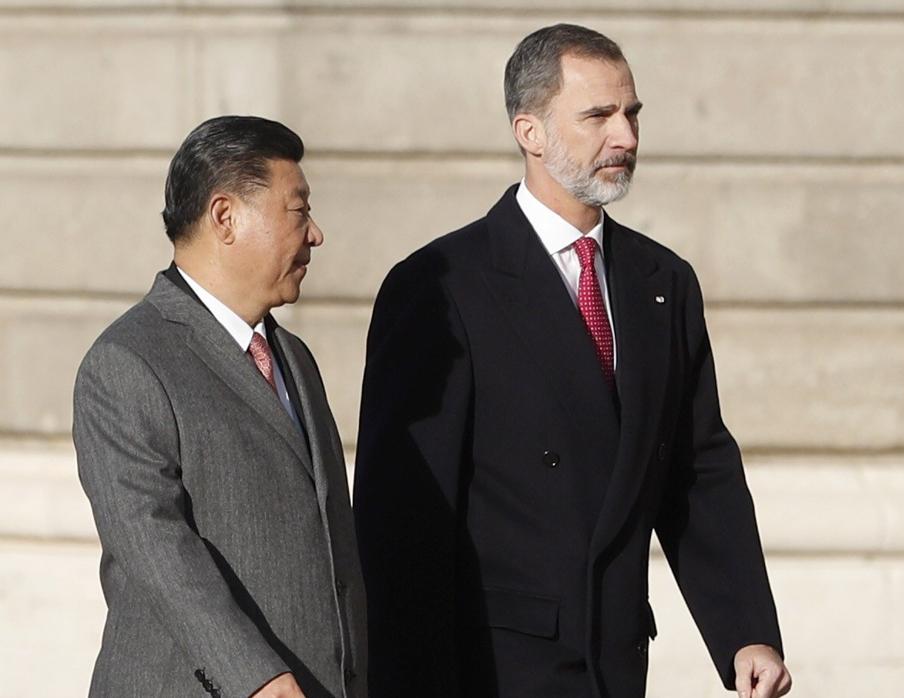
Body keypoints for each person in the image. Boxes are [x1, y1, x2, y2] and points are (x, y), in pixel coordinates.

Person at [354, 23, 791, 698]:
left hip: (615, 663)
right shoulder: (440, 285)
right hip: (492, 671)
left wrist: (745, 632)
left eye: (631, 114)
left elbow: (698, 468)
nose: (626, 138)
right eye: (598, 116)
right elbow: (402, 519)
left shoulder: (663, 282)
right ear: (529, 131)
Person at [73, 115, 367, 698]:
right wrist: (257, 678)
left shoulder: (294, 358)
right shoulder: (126, 361)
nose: (316, 235)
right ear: (226, 216)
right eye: (299, 211)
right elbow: (157, 550)